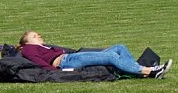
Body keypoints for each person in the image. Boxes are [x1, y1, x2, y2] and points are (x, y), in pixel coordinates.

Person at [18, 31, 172, 79]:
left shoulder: (43, 46)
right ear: (26, 41)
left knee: (119, 48)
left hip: (72, 58)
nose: (38, 35)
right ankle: (149, 71)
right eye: (34, 35)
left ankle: (138, 72)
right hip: (66, 62)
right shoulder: (28, 48)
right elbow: (38, 62)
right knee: (112, 57)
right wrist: (56, 71)